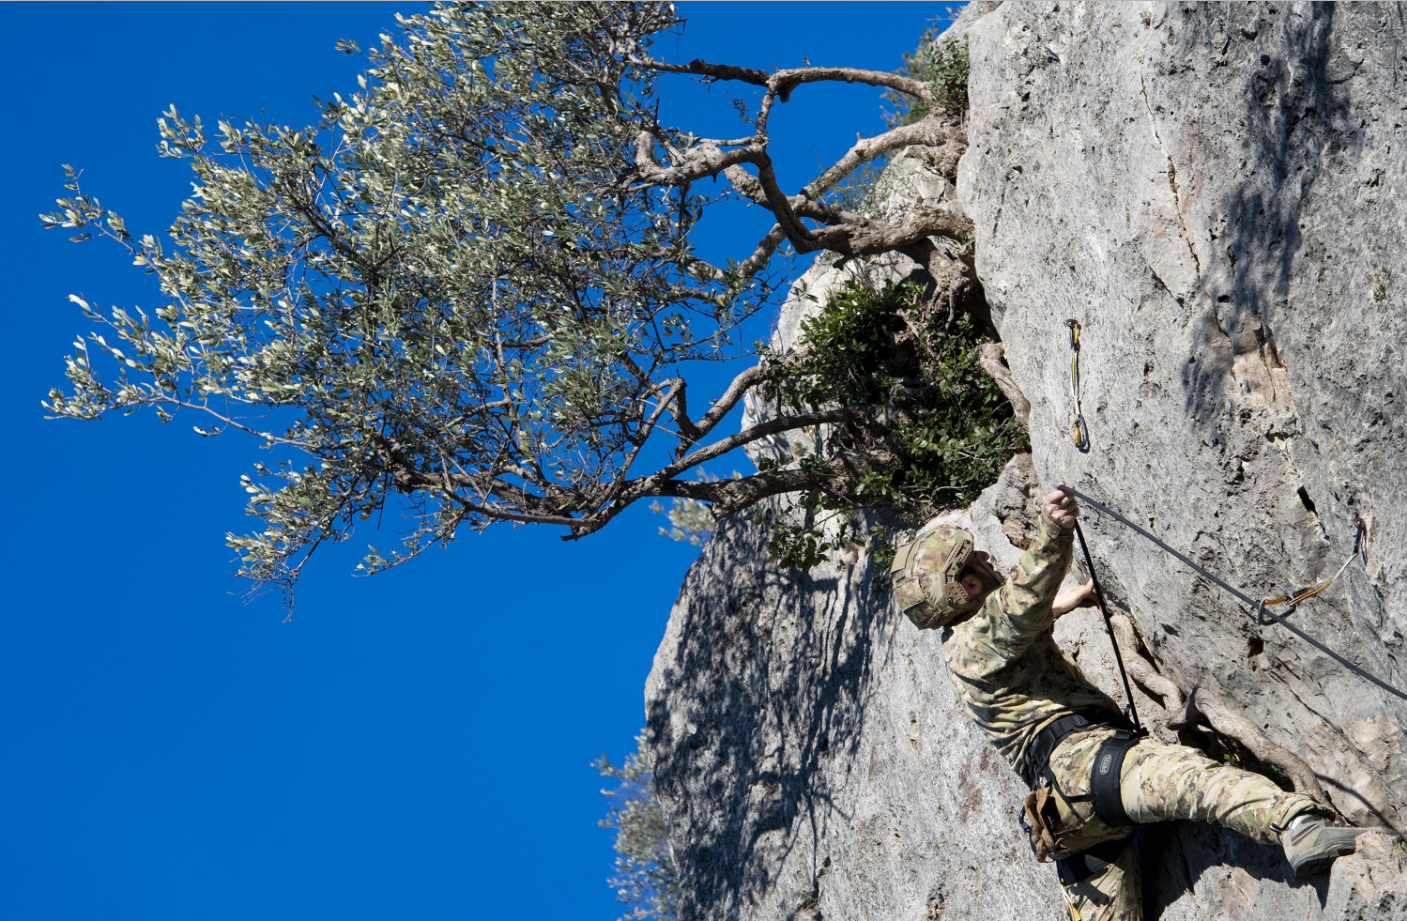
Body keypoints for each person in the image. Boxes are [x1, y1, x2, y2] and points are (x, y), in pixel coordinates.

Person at [890, 486, 1366, 921]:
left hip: (1063, 819)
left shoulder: (962, 649)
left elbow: (1014, 628)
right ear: (968, 586)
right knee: (1191, 781)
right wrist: (1053, 532)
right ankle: (1296, 824)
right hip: (1092, 767)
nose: (988, 558)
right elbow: (1019, 605)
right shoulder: (985, 633)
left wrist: (1067, 602)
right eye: (976, 560)